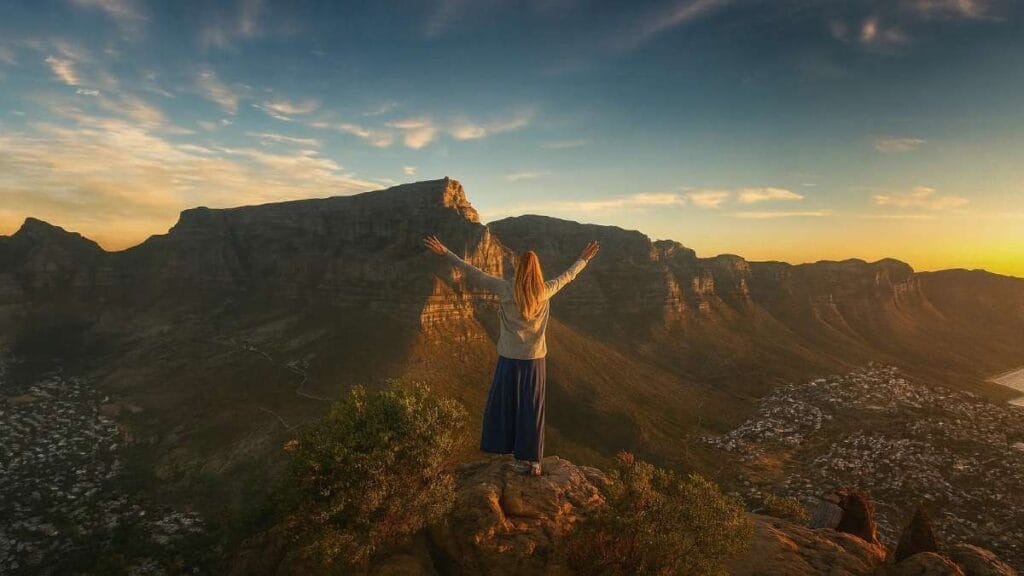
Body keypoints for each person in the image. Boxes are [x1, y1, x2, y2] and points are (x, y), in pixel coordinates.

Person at [423, 235, 599, 476]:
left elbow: (472, 273)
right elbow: (568, 276)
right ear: (537, 271)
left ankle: (502, 448)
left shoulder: (505, 289)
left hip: (508, 358)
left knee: (504, 403)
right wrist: (583, 259)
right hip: (534, 361)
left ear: (518, 270)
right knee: (531, 408)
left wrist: (445, 252)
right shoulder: (545, 291)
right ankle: (532, 461)